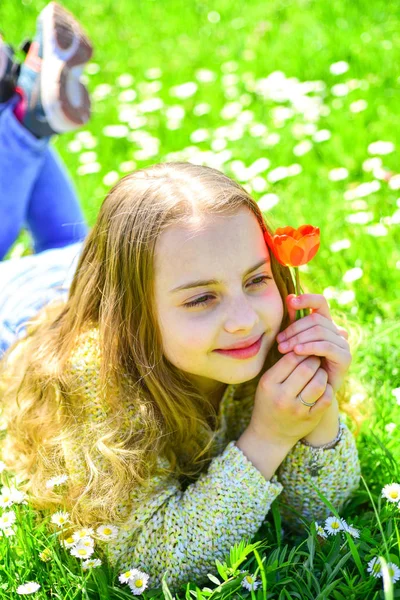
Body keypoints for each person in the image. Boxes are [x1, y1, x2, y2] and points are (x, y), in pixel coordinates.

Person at [0, 2, 361, 593]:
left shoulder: (271, 332)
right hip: (20, 306)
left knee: (60, 234)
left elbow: (315, 518)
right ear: (131, 316)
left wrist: (319, 416)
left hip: (100, 267)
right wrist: (267, 438)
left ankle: (22, 103)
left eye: (255, 279)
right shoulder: (98, 372)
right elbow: (159, 565)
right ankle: (24, 121)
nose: (245, 320)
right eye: (202, 300)